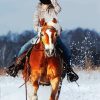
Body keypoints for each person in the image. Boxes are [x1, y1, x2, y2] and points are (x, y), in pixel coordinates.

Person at [7, 0, 79, 82]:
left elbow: (59, 9)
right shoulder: (37, 11)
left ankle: (69, 71)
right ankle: (15, 67)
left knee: (67, 52)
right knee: (23, 48)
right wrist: (43, 30)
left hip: (53, 36)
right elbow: (35, 26)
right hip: (41, 36)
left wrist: (54, 1)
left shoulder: (53, 9)